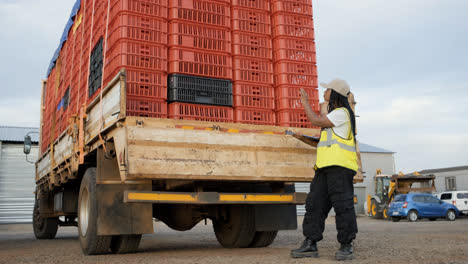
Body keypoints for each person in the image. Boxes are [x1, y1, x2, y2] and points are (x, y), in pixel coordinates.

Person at [290, 79, 358, 261]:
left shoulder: (342, 113)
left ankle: (346, 245)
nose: (324, 92)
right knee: (315, 205)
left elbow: (315, 120)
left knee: (343, 207)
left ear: (335, 93)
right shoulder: (334, 116)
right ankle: (310, 243)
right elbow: (325, 142)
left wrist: (305, 103)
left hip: (341, 169)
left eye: (327, 89)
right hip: (324, 168)